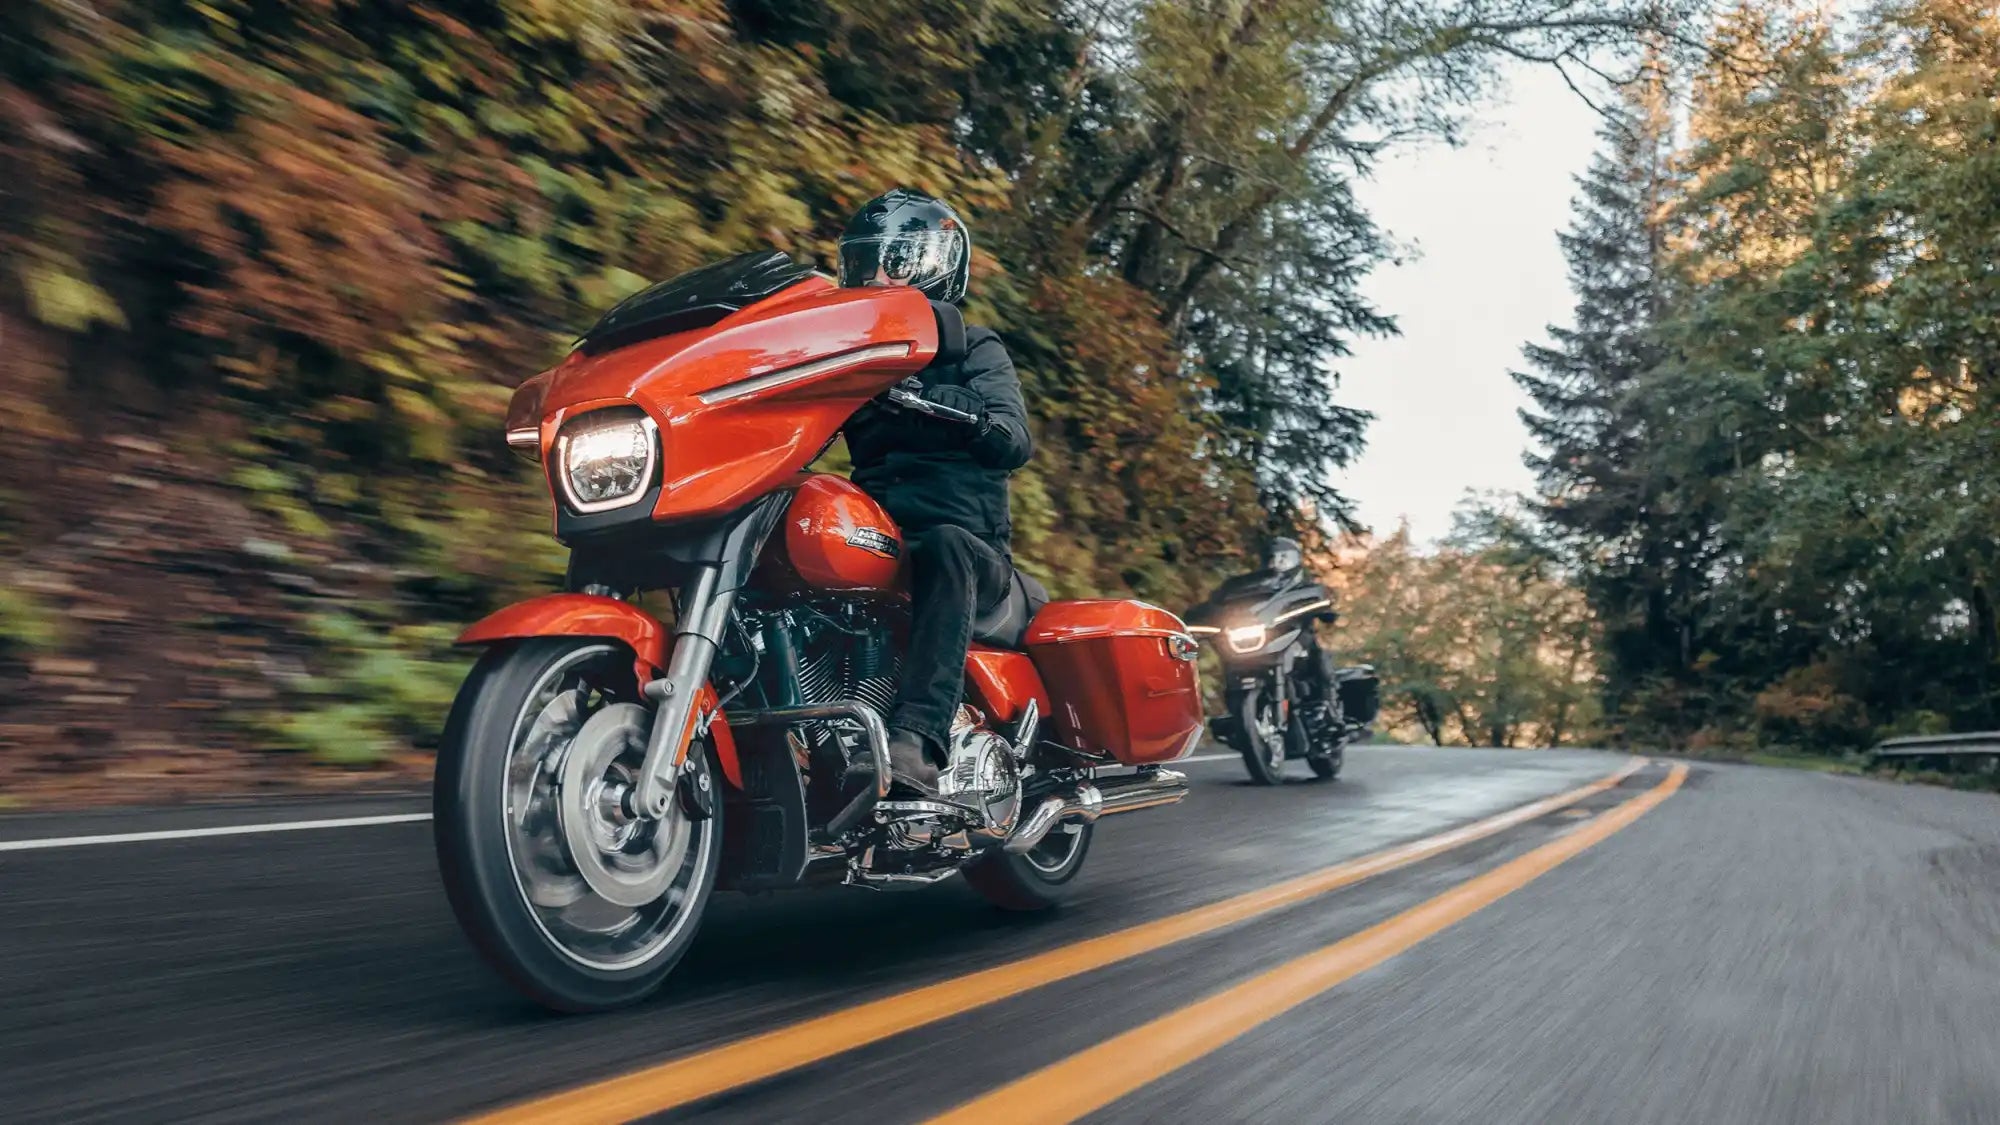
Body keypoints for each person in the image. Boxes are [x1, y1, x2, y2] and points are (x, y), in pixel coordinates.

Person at [837, 188, 1032, 795]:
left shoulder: (975, 348)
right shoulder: (854, 362)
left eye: (879, 263)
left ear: (925, 263)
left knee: (945, 546)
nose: (864, 277)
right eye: (857, 263)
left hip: (972, 553)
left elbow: (1013, 437)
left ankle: (917, 739)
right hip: (882, 540)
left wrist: (964, 413)